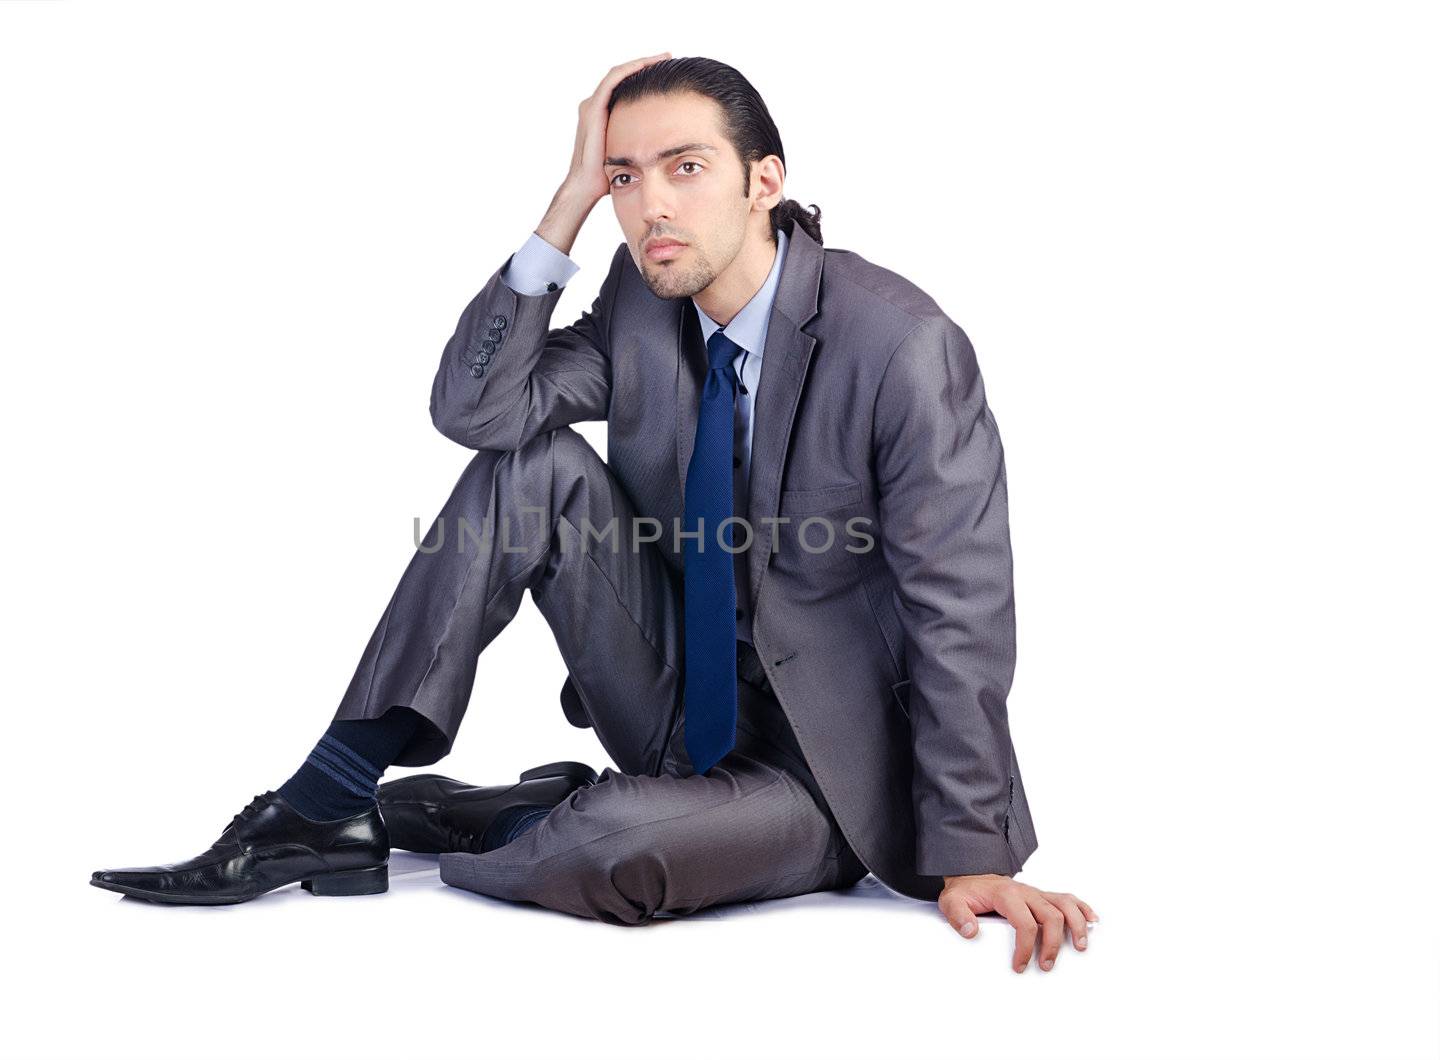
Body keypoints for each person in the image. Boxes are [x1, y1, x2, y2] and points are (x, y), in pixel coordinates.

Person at [91, 53, 1099, 973]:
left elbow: (960, 611)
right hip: (674, 701)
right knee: (526, 467)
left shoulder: (900, 346)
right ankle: (324, 801)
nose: (650, 204)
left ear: (765, 181)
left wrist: (969, 848)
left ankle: (544, 811)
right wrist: (566, 205)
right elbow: (480, 412)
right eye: (626, 176)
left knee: (607, 847)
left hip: (824, 774)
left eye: (685, 168)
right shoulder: (643, 296)